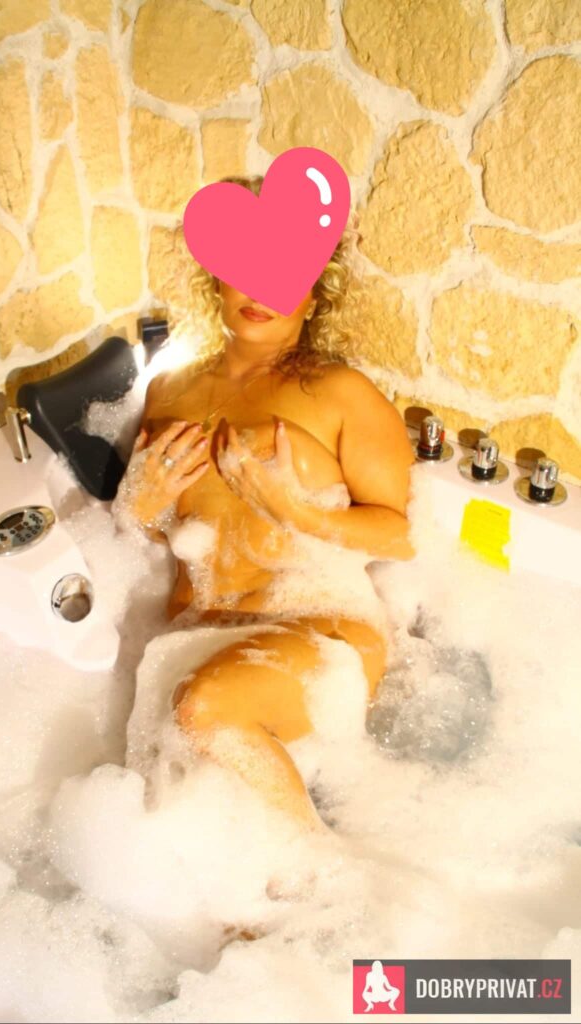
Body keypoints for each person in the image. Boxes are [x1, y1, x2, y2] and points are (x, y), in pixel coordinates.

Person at [116, 176, 415, 830]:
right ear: (218, 280)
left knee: (205, 711)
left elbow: (400, 536)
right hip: (193, 641)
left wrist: (298, 512)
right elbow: (155, 535)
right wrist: (138, 505)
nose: (261, 290)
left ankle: (316, 869)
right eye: (245, 269)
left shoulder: (341, 394)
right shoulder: (168, 391)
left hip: (318, 634)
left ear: (314, 296)